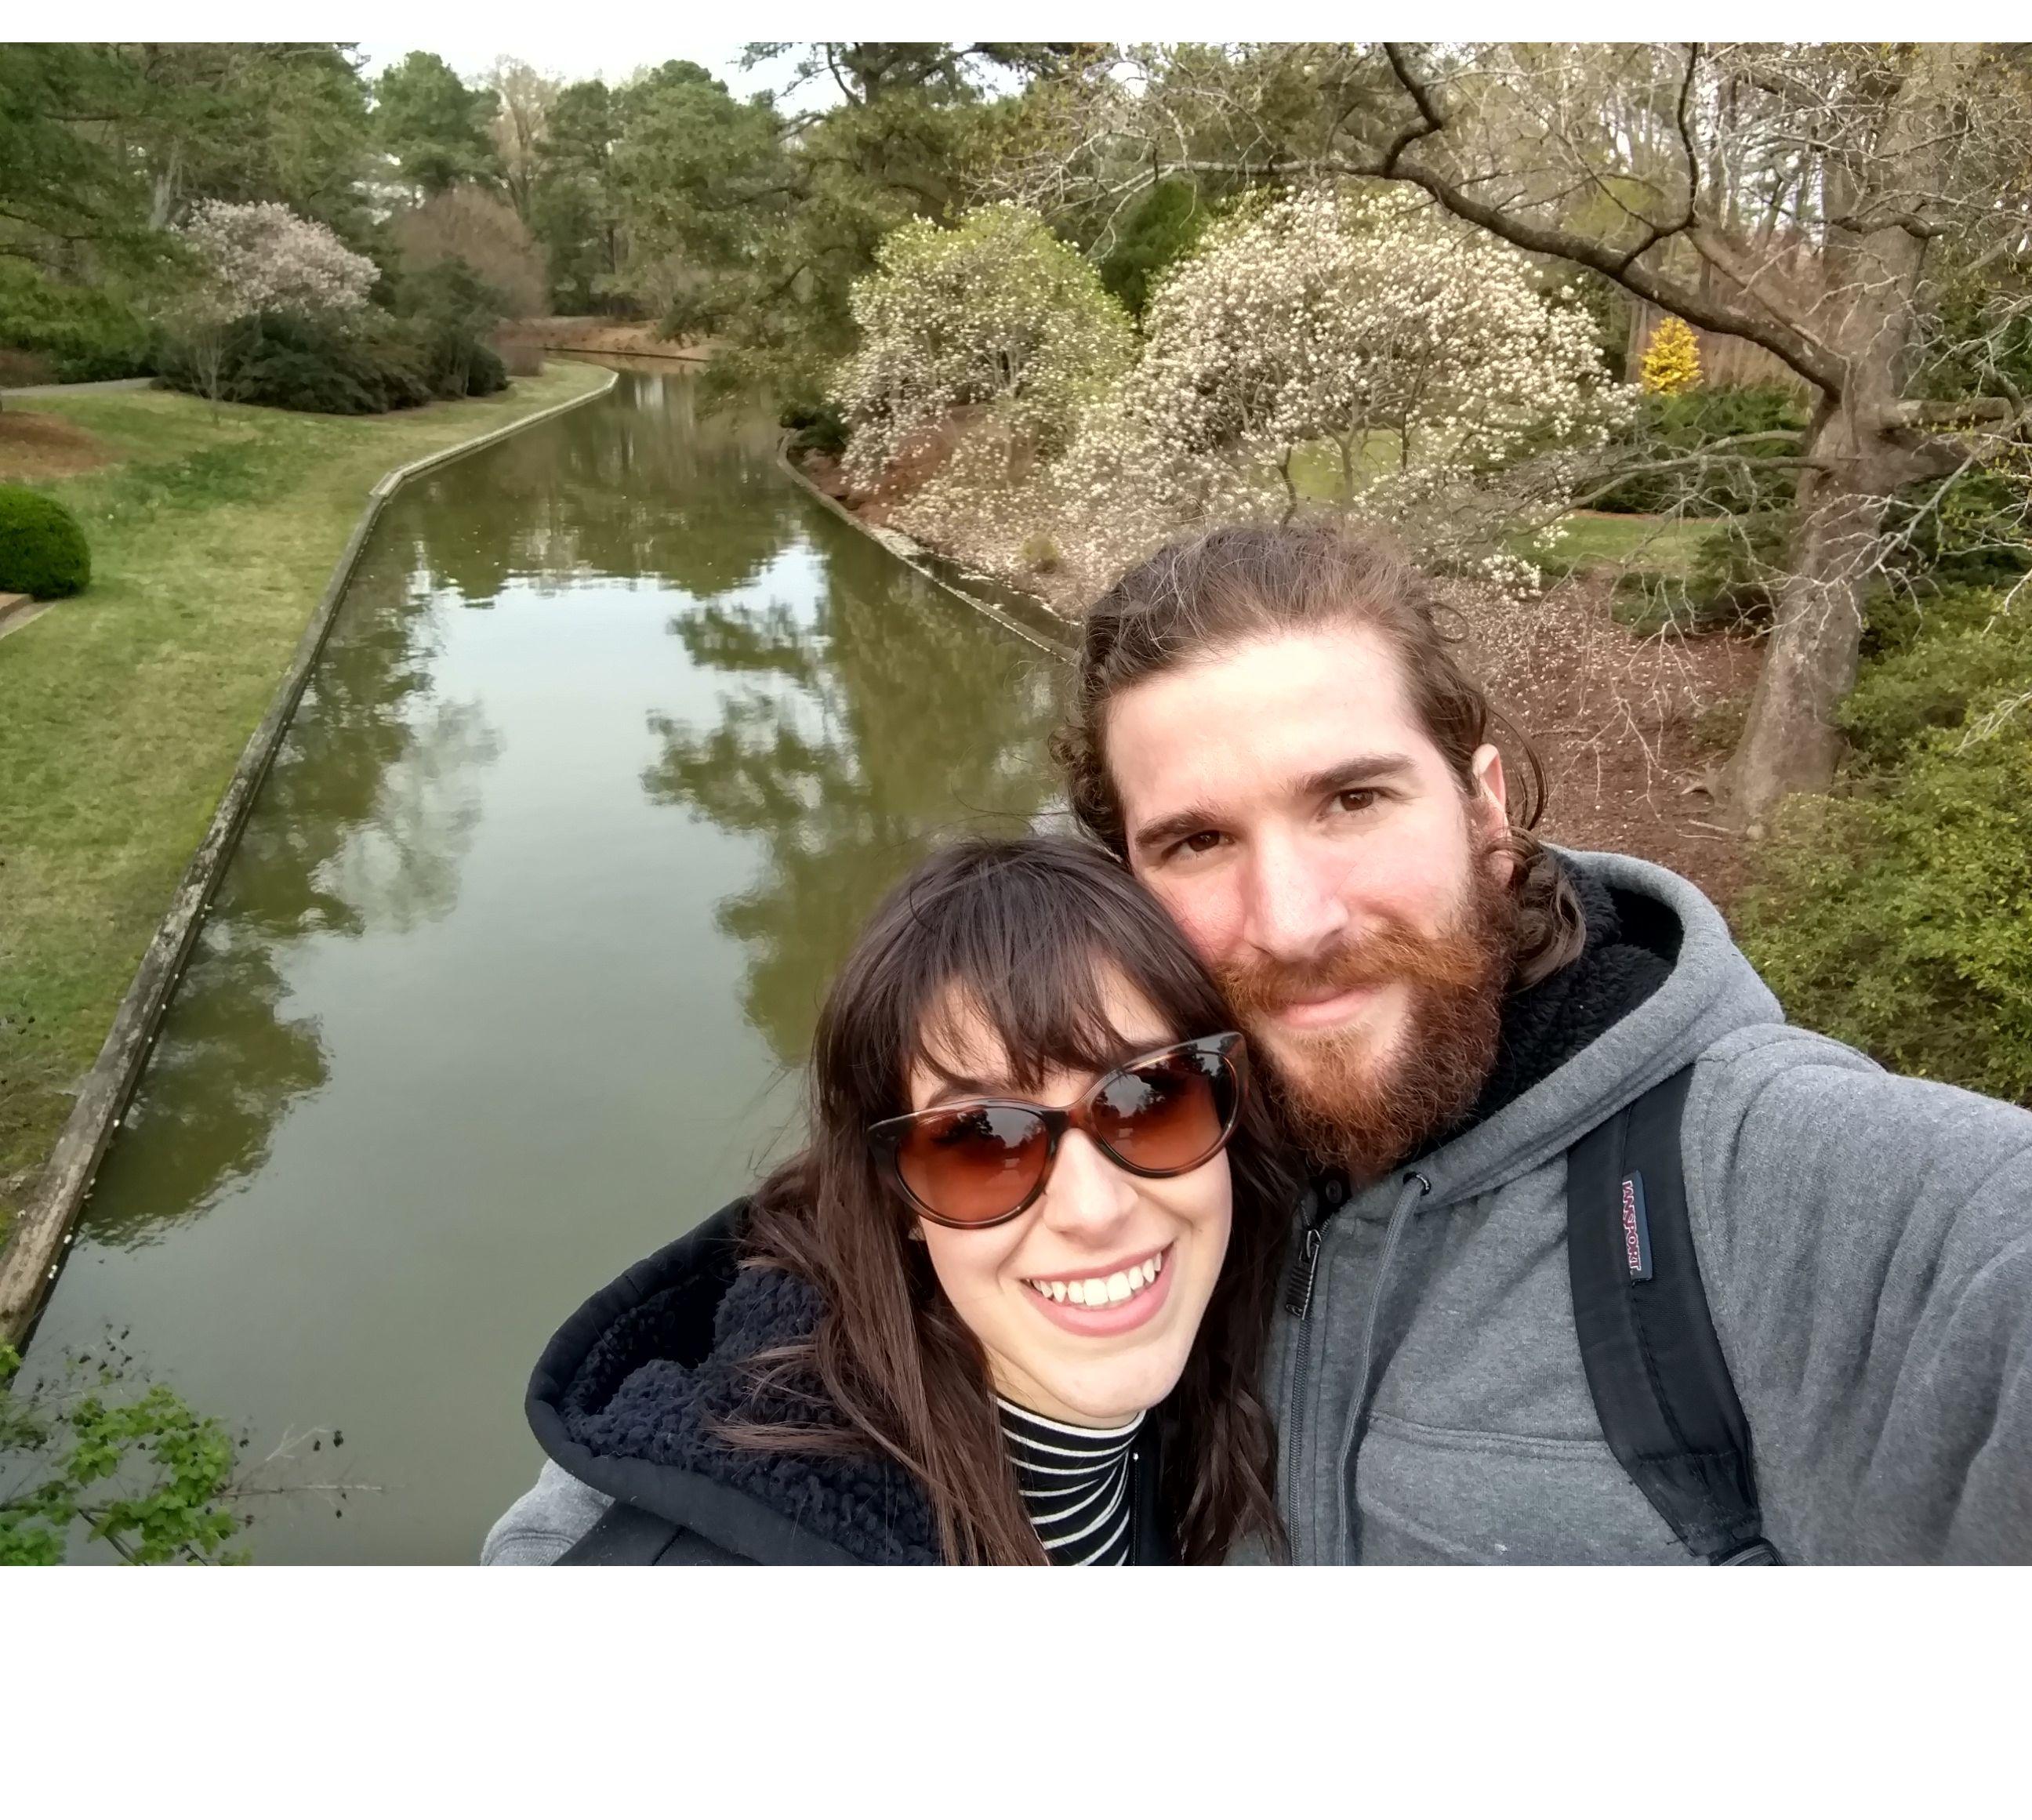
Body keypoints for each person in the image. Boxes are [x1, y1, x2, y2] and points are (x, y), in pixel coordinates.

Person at [1050, 520, 2032, 1564]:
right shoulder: (1130, 1176)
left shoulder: (1786, 1186)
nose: (1294, 924)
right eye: (1199, 841)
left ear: (1486, 812)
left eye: (1354, 799)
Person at [483, 836, 1296, 1564]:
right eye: (981, 1143)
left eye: (1152, 1098)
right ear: (895, 1197)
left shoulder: (1253, 1364)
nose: (1094, 1208)